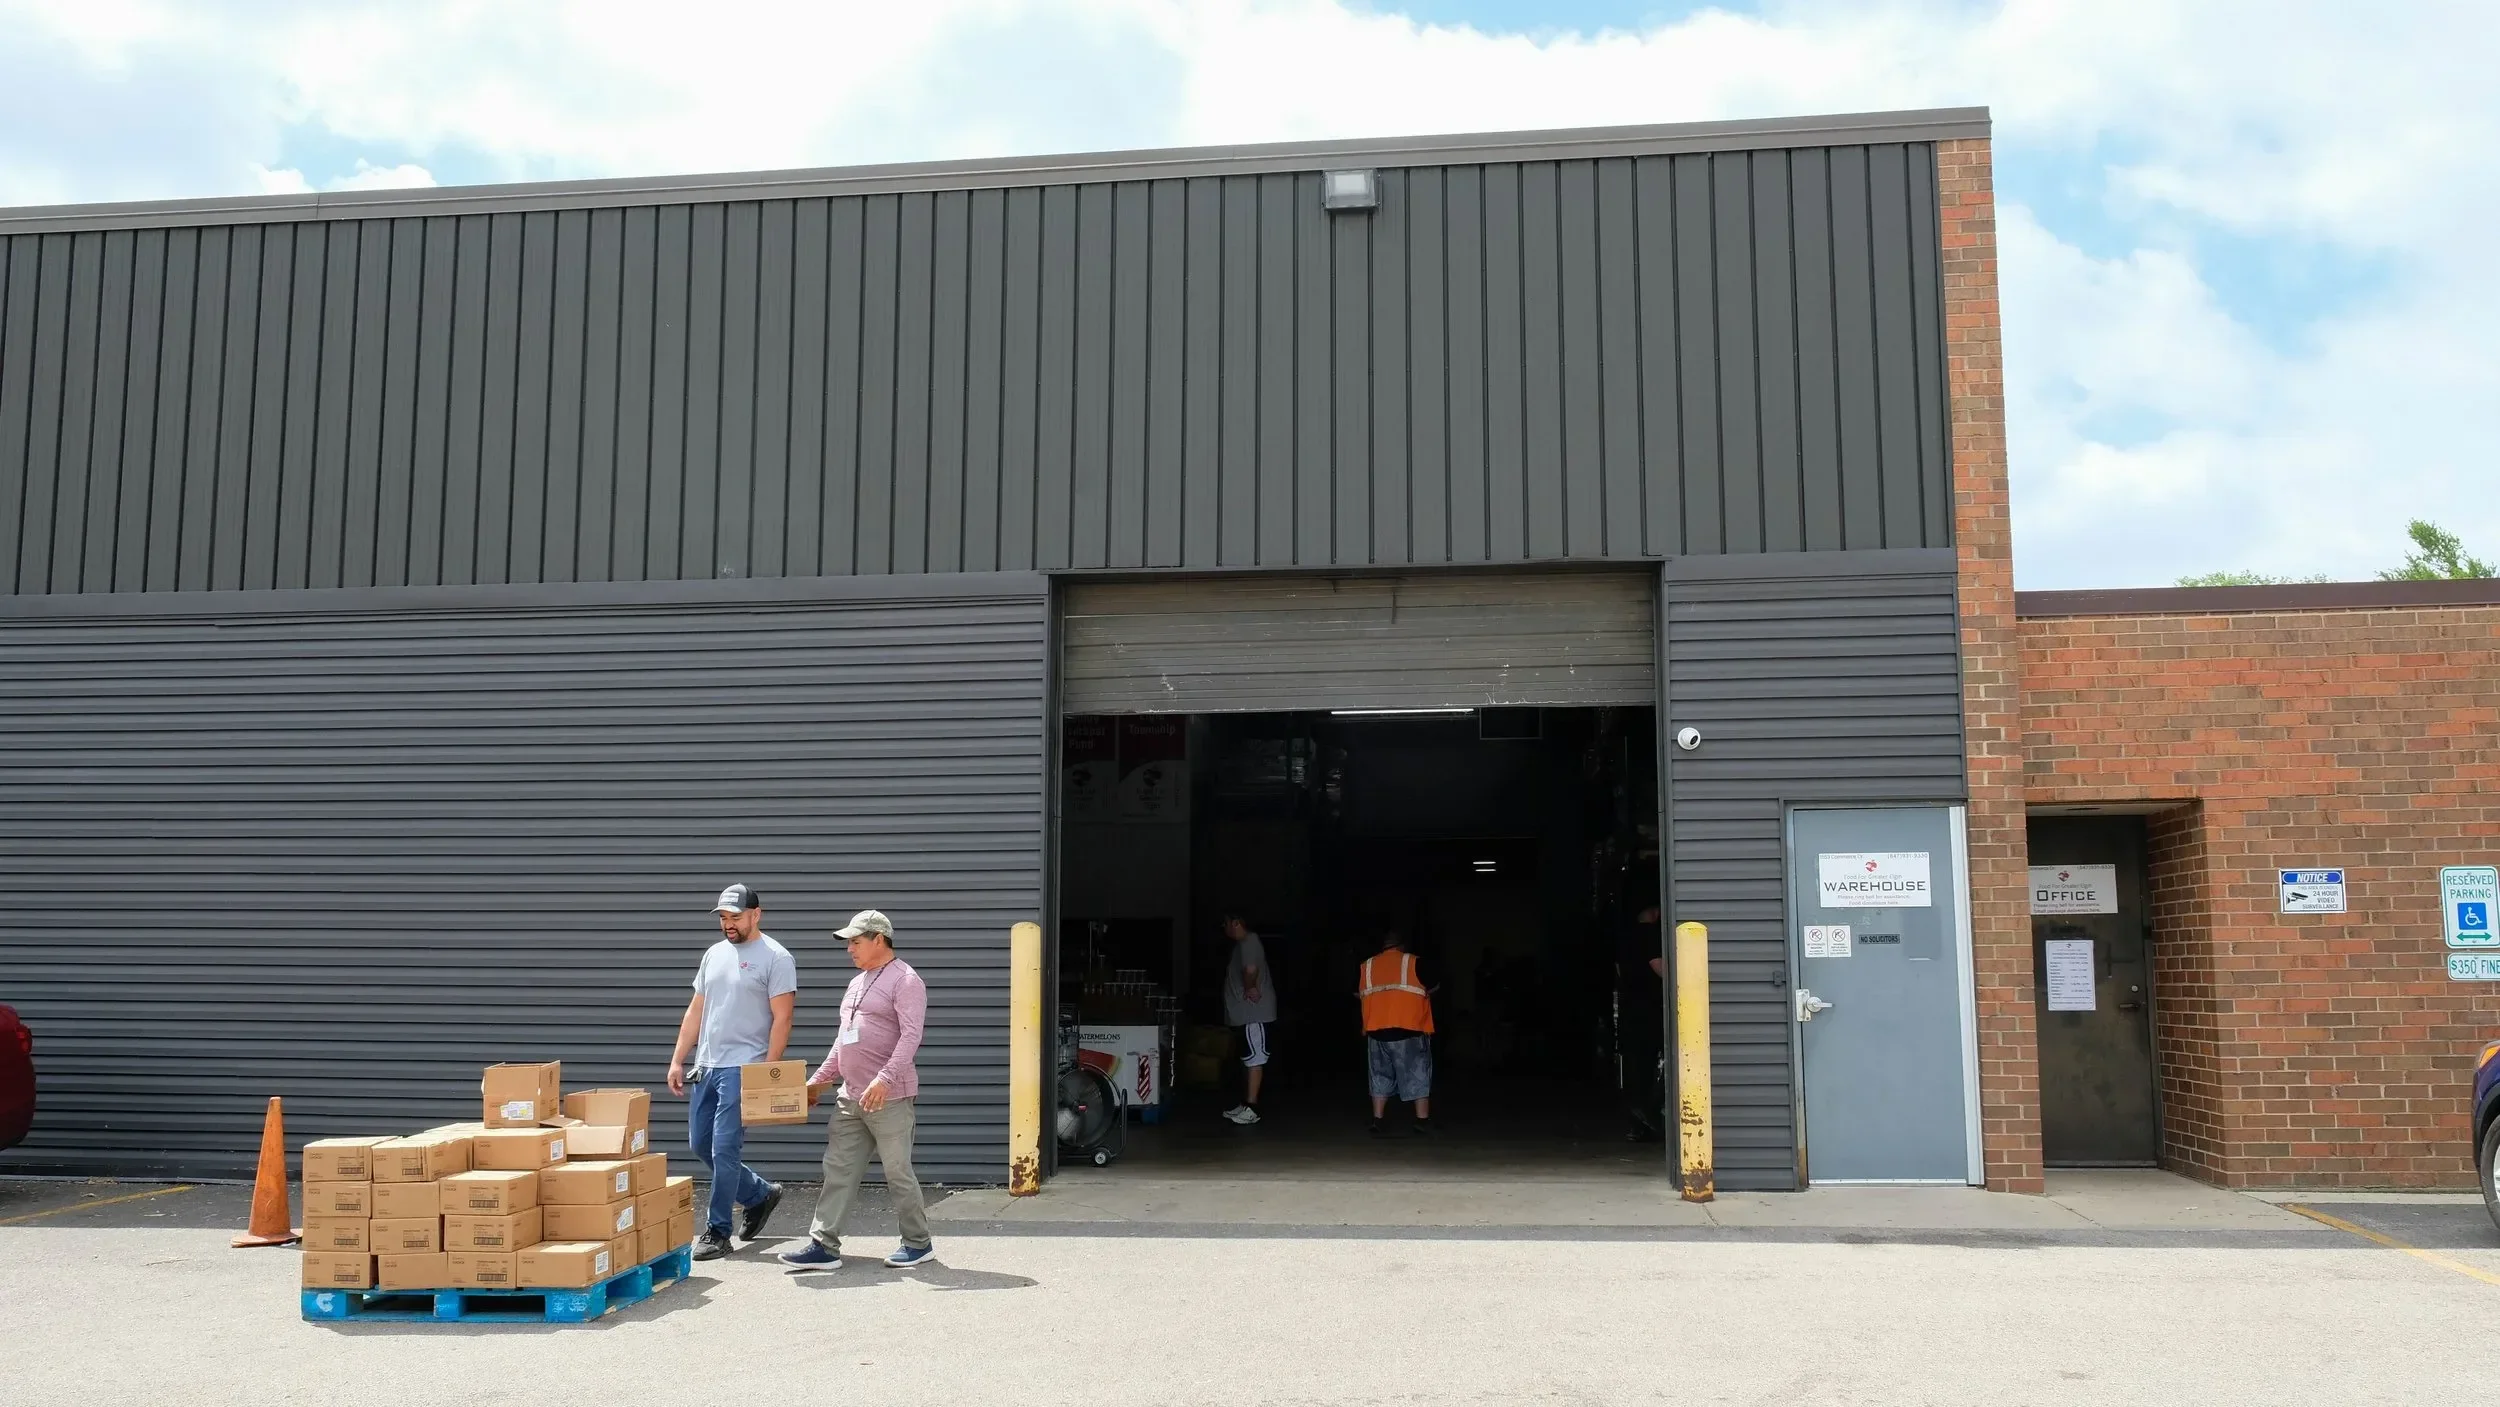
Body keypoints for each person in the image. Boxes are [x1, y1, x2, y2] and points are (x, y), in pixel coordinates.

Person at [779, 910, 934, 1271]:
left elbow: (912, 1036)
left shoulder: (906, 980)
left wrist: (885, 1079)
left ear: (878, 939)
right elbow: (842, 1042)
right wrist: (817, 1081)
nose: (849, 948)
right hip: (851, 1096)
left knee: (897, 1172)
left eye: (855, 941)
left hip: (889, 1097)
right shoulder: (857, 983)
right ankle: (823, 1245)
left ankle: (918, 1243)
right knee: (838, 1170)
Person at [667, 883, 796, 1260]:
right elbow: (696, 1010)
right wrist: (679, 1059)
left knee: (724, 1148)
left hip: (744, 1068)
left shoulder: (776, 957)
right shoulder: (713, 955)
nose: (728, 924)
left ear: (757, 914)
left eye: (735, 917)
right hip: (706, 1066)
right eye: (723, 918)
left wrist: (770, 1071)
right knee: (699, 1144)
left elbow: (782, 1018)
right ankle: (759, 1194)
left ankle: (717, 1231)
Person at [1357, 930, 1435, 1135]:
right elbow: (1433, 986)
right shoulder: (1413, 962)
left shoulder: (1367, 966)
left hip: (1376, 1031)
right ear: (1402, 946)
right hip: (1408, 1029)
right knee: (1418, 1073)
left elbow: (1358, 993)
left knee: (1379, 1076)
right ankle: (1421, 1120)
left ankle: (1378, 1120)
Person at [1616, 901, 1666, 1142]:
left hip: (1630, 1009)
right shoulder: (1649, 936)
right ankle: (1649, 1114)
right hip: (1650, 1010)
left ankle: (1639, 1123)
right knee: (1656, 1066)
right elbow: (1659, 967)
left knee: (1638, 1067)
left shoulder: (1624, 938)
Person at [1220, 914, 1277, 1125]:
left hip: (1255, 1013)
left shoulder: (1249, 941)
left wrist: (1250, 986)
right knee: (1247, 1059)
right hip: (1244, 1014)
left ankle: (1252, 1108)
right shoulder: (1241, 945)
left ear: (1236, 922)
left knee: (1255, 1059)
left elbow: (1250, 969)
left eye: (1225, 923)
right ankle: (1245, 1103)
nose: (1224, 928)